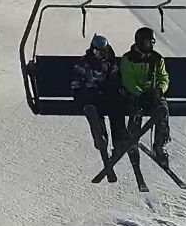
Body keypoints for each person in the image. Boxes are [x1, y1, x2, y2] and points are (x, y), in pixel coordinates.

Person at [119, 26, 172, 167]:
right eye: (149, 42)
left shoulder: (157, 59)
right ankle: (132, 141)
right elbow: (128, 80)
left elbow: (163, 77)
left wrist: (159, 90)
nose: (151, 46)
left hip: (152, 93)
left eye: (153, 43)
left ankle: (160, 146)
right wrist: (140, 93)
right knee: (136, 109)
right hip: (135, 94)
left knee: (162, 110)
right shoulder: (128, 59)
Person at [73, 34, 128, 160]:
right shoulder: (84, 63)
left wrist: (114, 90)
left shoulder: (110, 63)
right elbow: (77, 82)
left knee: (116, 109)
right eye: (97, 52)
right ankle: (101, 137)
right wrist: (79, 95)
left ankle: (119, 141)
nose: (100, 55)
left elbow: (114, 80)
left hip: (105, 96)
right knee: (94, 112)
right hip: (90, 96)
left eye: (103, 52)